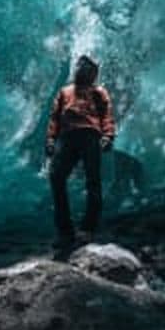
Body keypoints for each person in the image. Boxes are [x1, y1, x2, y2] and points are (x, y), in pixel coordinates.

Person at [46, 54, 116, 247]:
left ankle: (88, 228)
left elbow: (107, 115)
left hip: (90, 136)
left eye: (85, 66)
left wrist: (108, 136)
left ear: (93, 73)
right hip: (67, 137)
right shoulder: (65, 91)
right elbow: (54, 117)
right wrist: (51, 139)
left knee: (93, 180)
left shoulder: (99, 91)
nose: (80, 68)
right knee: (55, 176)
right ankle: (65, 231)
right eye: (79, 65)